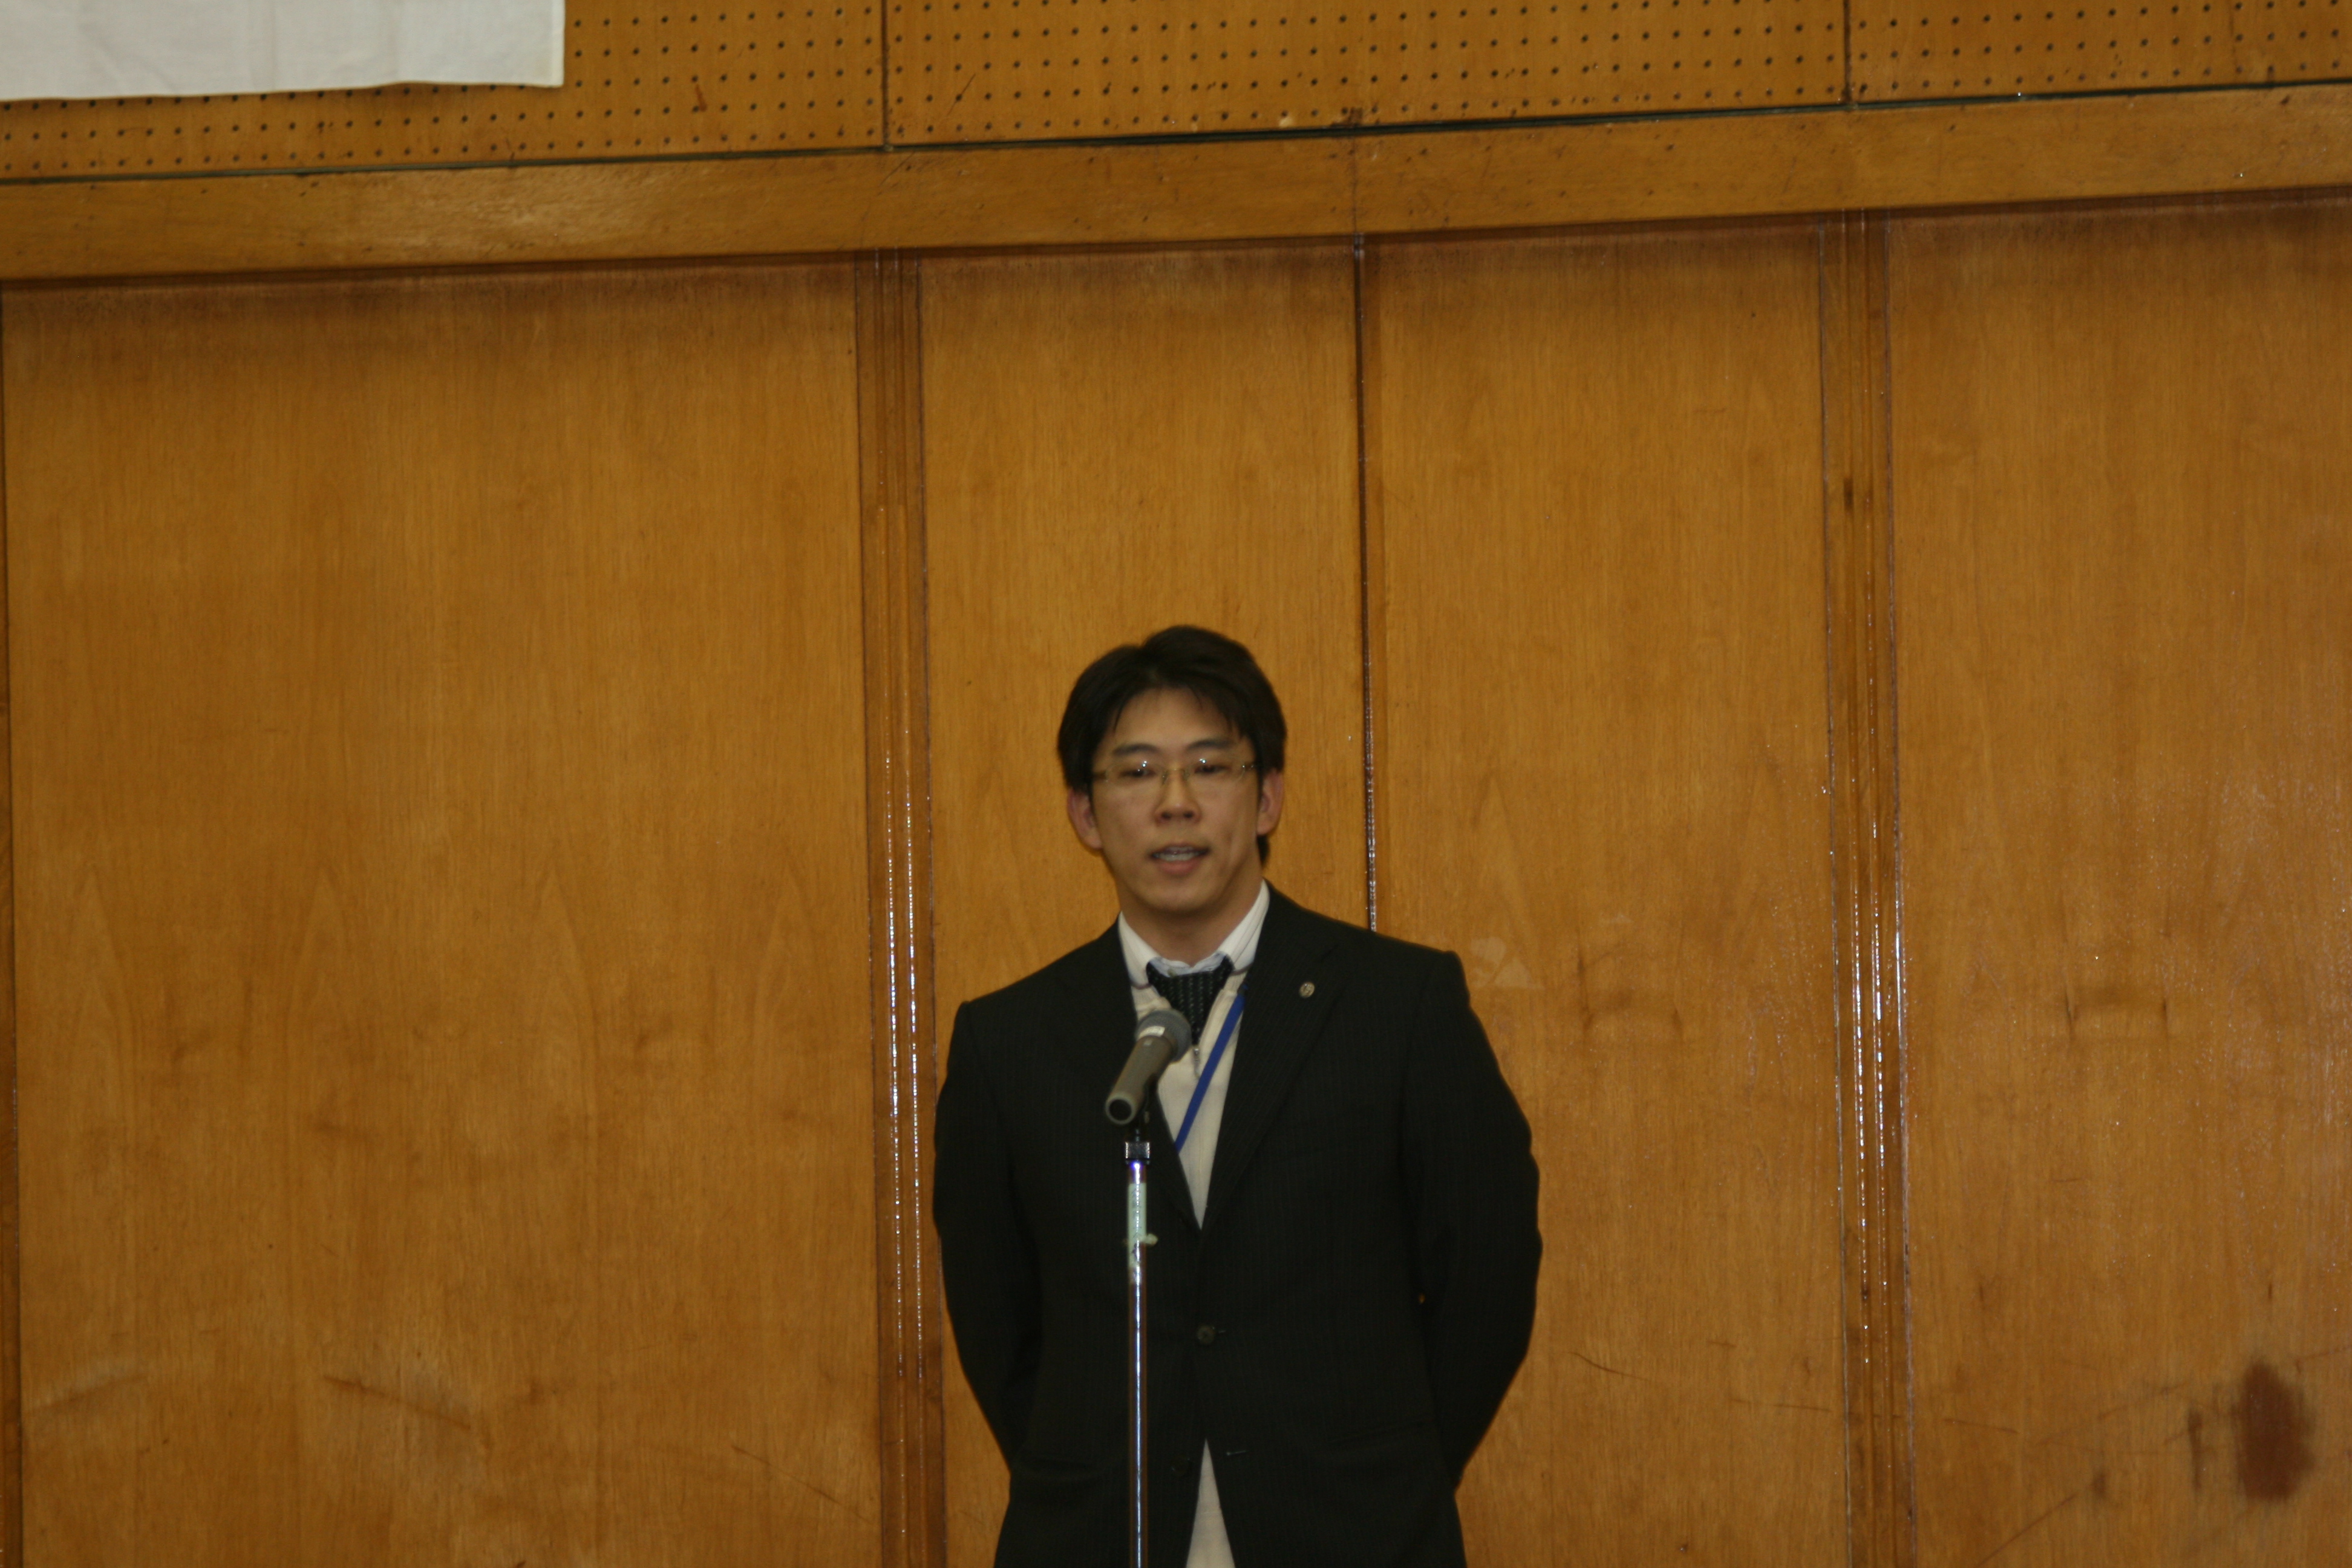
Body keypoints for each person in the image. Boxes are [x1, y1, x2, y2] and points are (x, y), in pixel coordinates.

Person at [934, 626, 1541, 1568]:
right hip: (1100, 1535)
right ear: (1086, 814)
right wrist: (1094, 1471)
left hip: (1356, 1535)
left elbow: (1488, 1272)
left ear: (1268, 798)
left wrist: (1390, 1471)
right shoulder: (1009, 1041)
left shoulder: (1398, 1005)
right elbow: (996, 1319)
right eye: (1137, 772)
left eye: (1210, 766)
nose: (1175, 801)